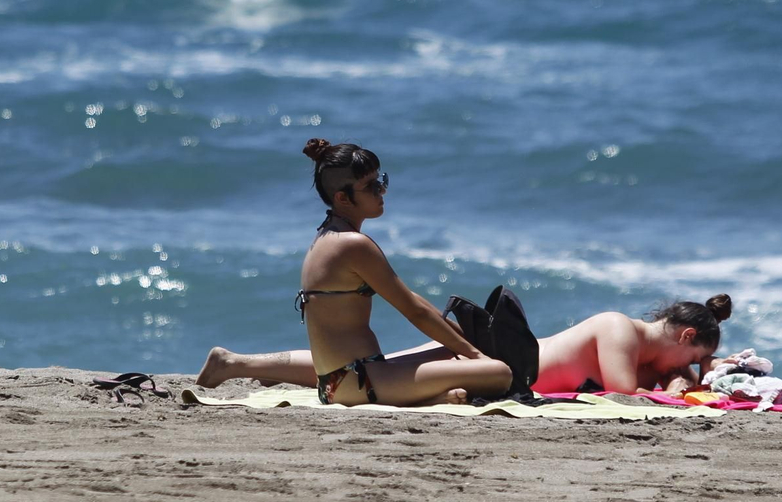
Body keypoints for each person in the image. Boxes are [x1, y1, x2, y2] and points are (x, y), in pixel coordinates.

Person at [198, 222, 734, 397]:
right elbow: (623, 393)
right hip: (494, 362)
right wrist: (689, 382)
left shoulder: (636, 343)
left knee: (374, 370)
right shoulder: (621, 329)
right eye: (692, 355)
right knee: (377, 372)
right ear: (685, 338)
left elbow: (641, 377)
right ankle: (238, 363)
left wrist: (691, 372)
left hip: (489, 364)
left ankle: (238, 363)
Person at [253, 138, 514, 407]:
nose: (382, 192)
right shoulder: (353, 245)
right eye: (372, 187)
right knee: (499, 373)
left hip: (342, 380)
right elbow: (414, 311)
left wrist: (467, 341)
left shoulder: (327, 235)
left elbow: (410, 299)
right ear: (343, 198)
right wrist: (476, 354)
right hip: (359, 383)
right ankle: (431, 400)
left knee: (454, 352)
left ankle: (435, 395)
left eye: (382, 181)